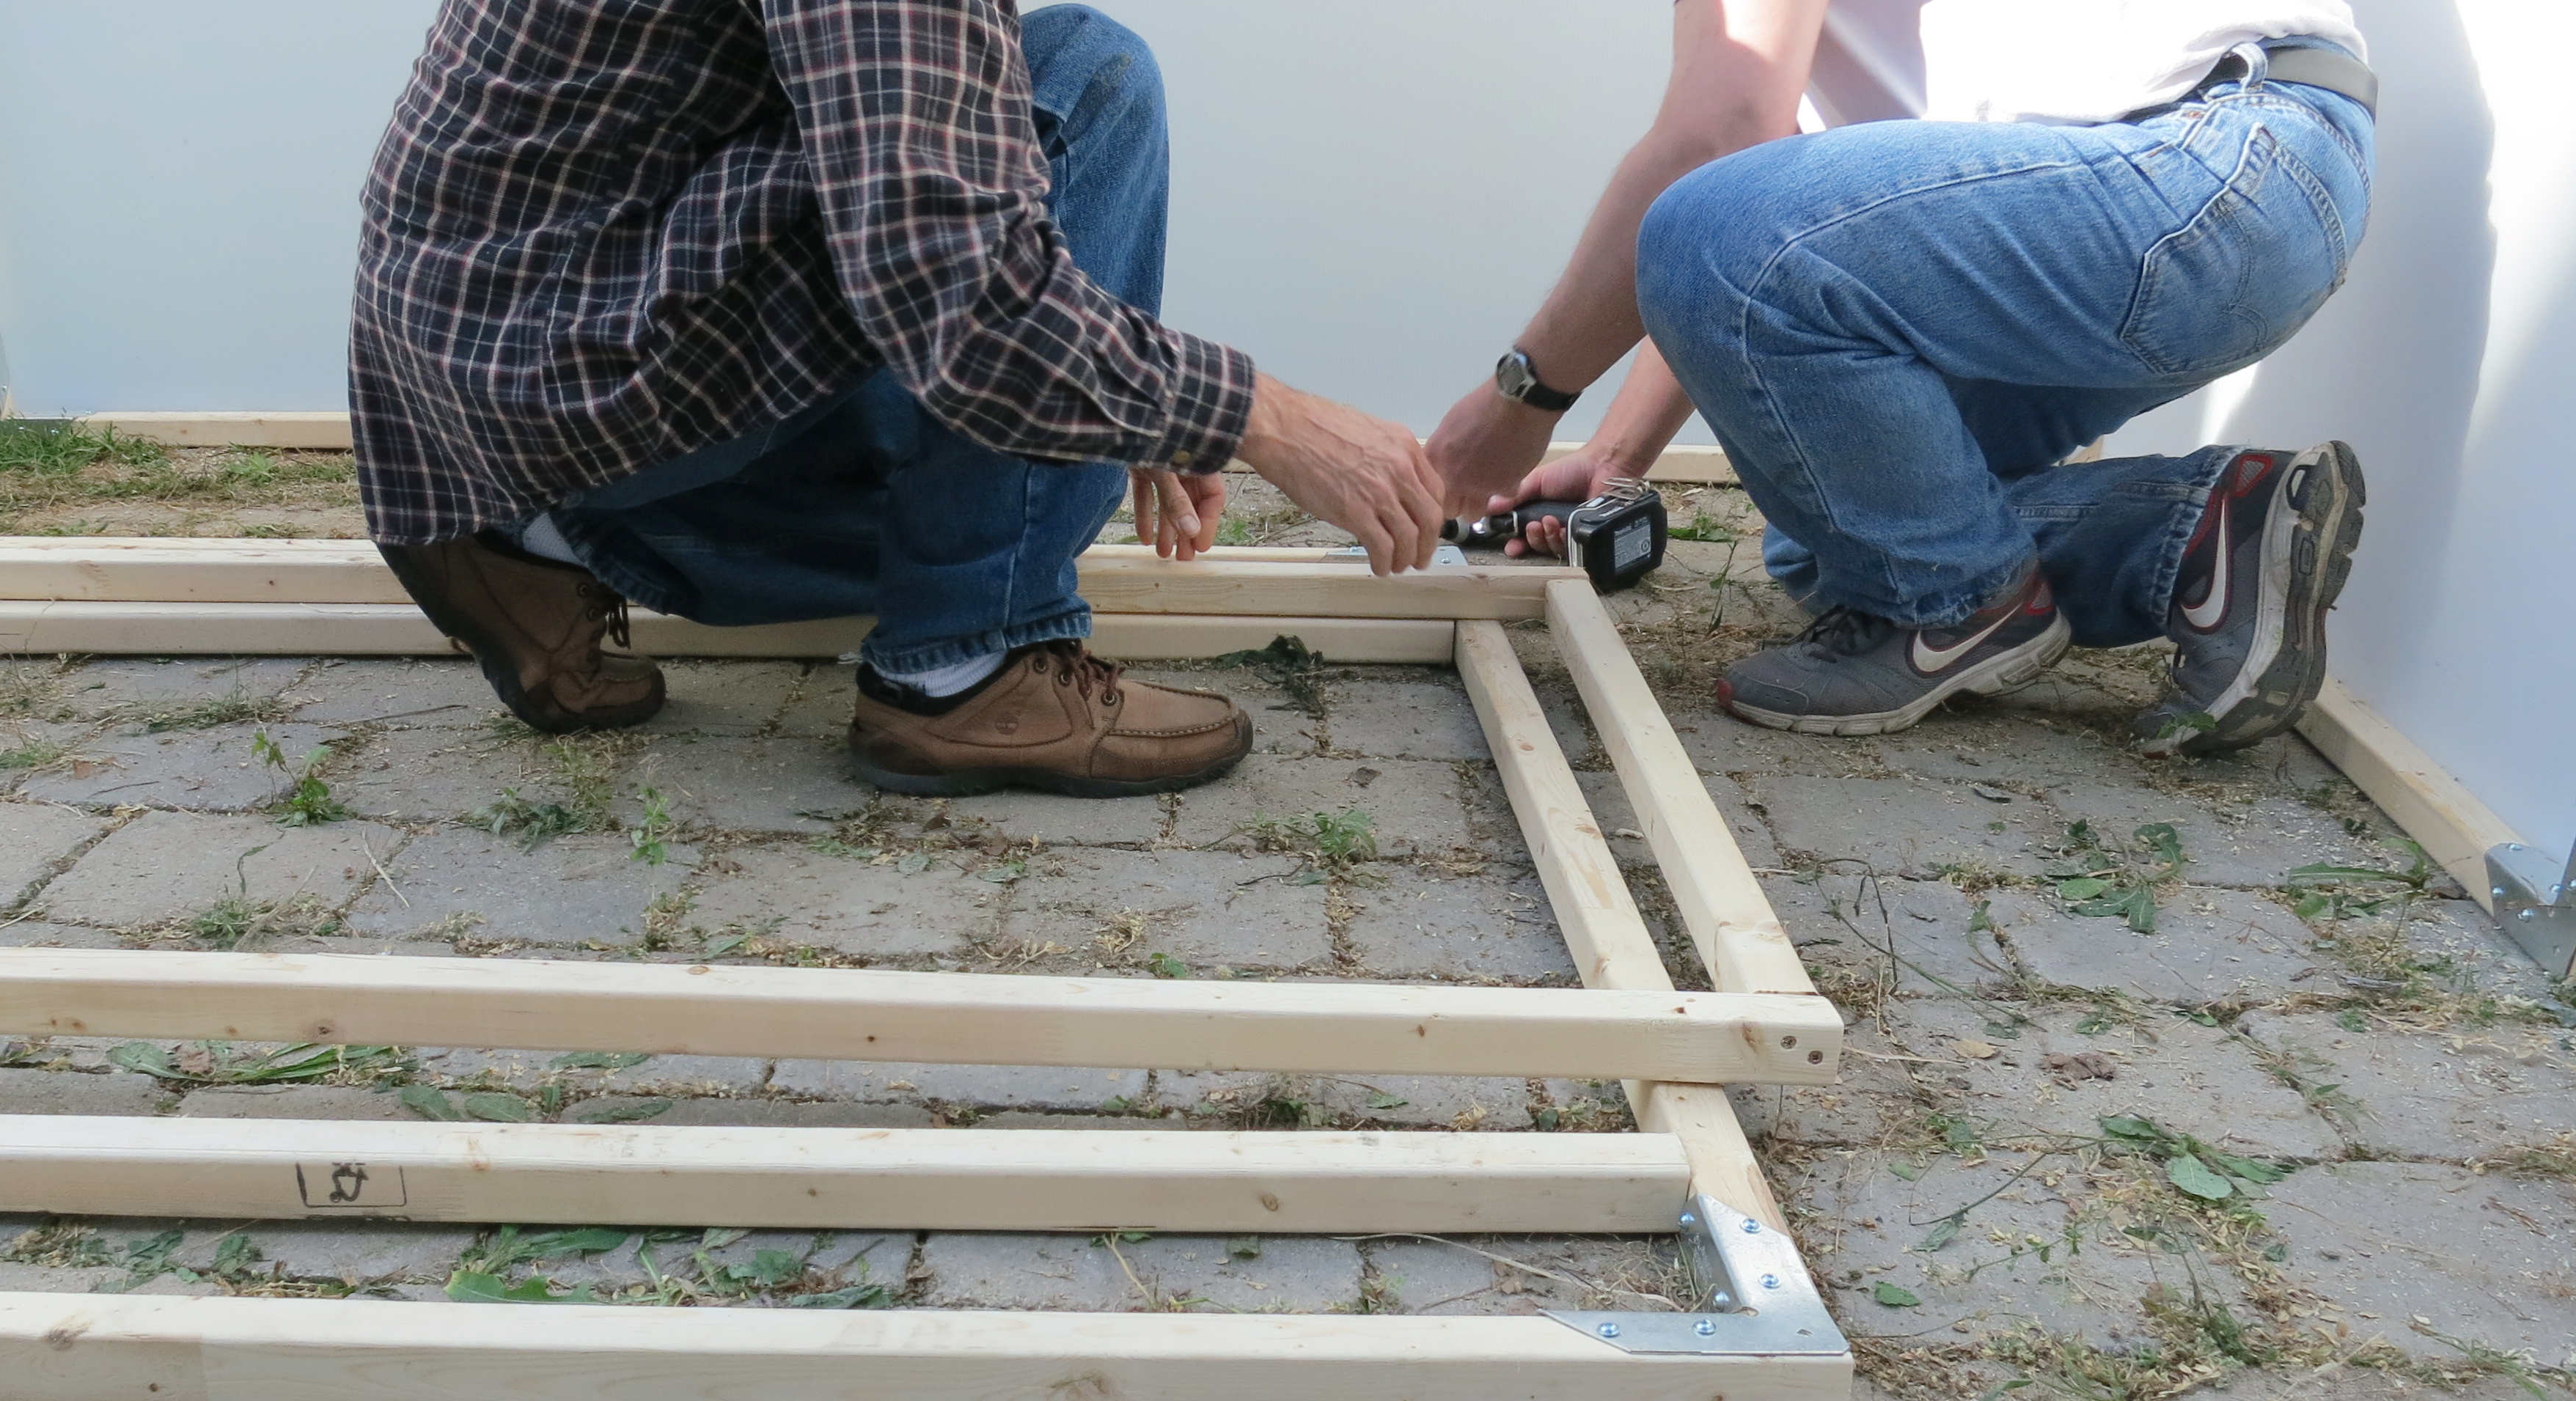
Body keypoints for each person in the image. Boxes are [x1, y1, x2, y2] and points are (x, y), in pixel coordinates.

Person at [350, 0, 1446, 798]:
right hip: (580, 373)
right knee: (1088, 72)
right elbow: (955, 288)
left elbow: (912, 157)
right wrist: (1263, 415)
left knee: (1005, 131)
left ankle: (542, 545)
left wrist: (1114, 393)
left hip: (479, 383)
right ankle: (970, 669)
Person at [1427, 0, 2375, 755]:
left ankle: (1969, 607)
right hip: (2251, 193)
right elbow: (1762, 247)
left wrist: (1525, 397)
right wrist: (1614, 458)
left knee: (1715, 232)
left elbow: (1719, 144)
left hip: (2197, 170)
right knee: (1839, 538)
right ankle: (2208, 529)